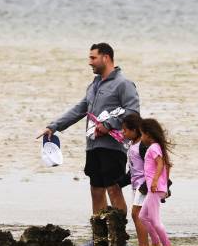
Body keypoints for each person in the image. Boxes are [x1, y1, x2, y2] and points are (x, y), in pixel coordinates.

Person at [39, 43, 140, 221]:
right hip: (93, 145)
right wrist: (54, 126)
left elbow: (133, 112)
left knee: (113, 188)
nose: (90, 62)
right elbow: (80, 109)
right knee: (96, 190)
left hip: (113, 147)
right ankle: (99, 237)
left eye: (93, 58)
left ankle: (118, 237)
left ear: (106, 57)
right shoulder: (94, 85)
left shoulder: (124, 84)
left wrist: (109, 125)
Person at [138, 117, 173, 246]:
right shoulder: (156, 147)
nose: (141, 138)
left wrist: (155, 181)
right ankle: (156, 243)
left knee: (154, 220)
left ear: (148, 134)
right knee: (142, 216)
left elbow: (160, 164)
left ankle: (167, 245)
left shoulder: (153, 147)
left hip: (155, 188)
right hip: (156, 187)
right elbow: (167, 165)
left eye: (142, 134)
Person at [120, 112, 152, 246]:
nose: (123, 132)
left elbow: (151, 167)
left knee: (137, 214)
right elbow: (133, 169)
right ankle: (151, 244)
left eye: (125, 130)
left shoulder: (142, 146)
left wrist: (147, 186)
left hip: (143, 186)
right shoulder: (132, 144)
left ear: (134, 130)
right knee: (144, 215)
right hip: (136, 186)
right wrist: (119, 183)